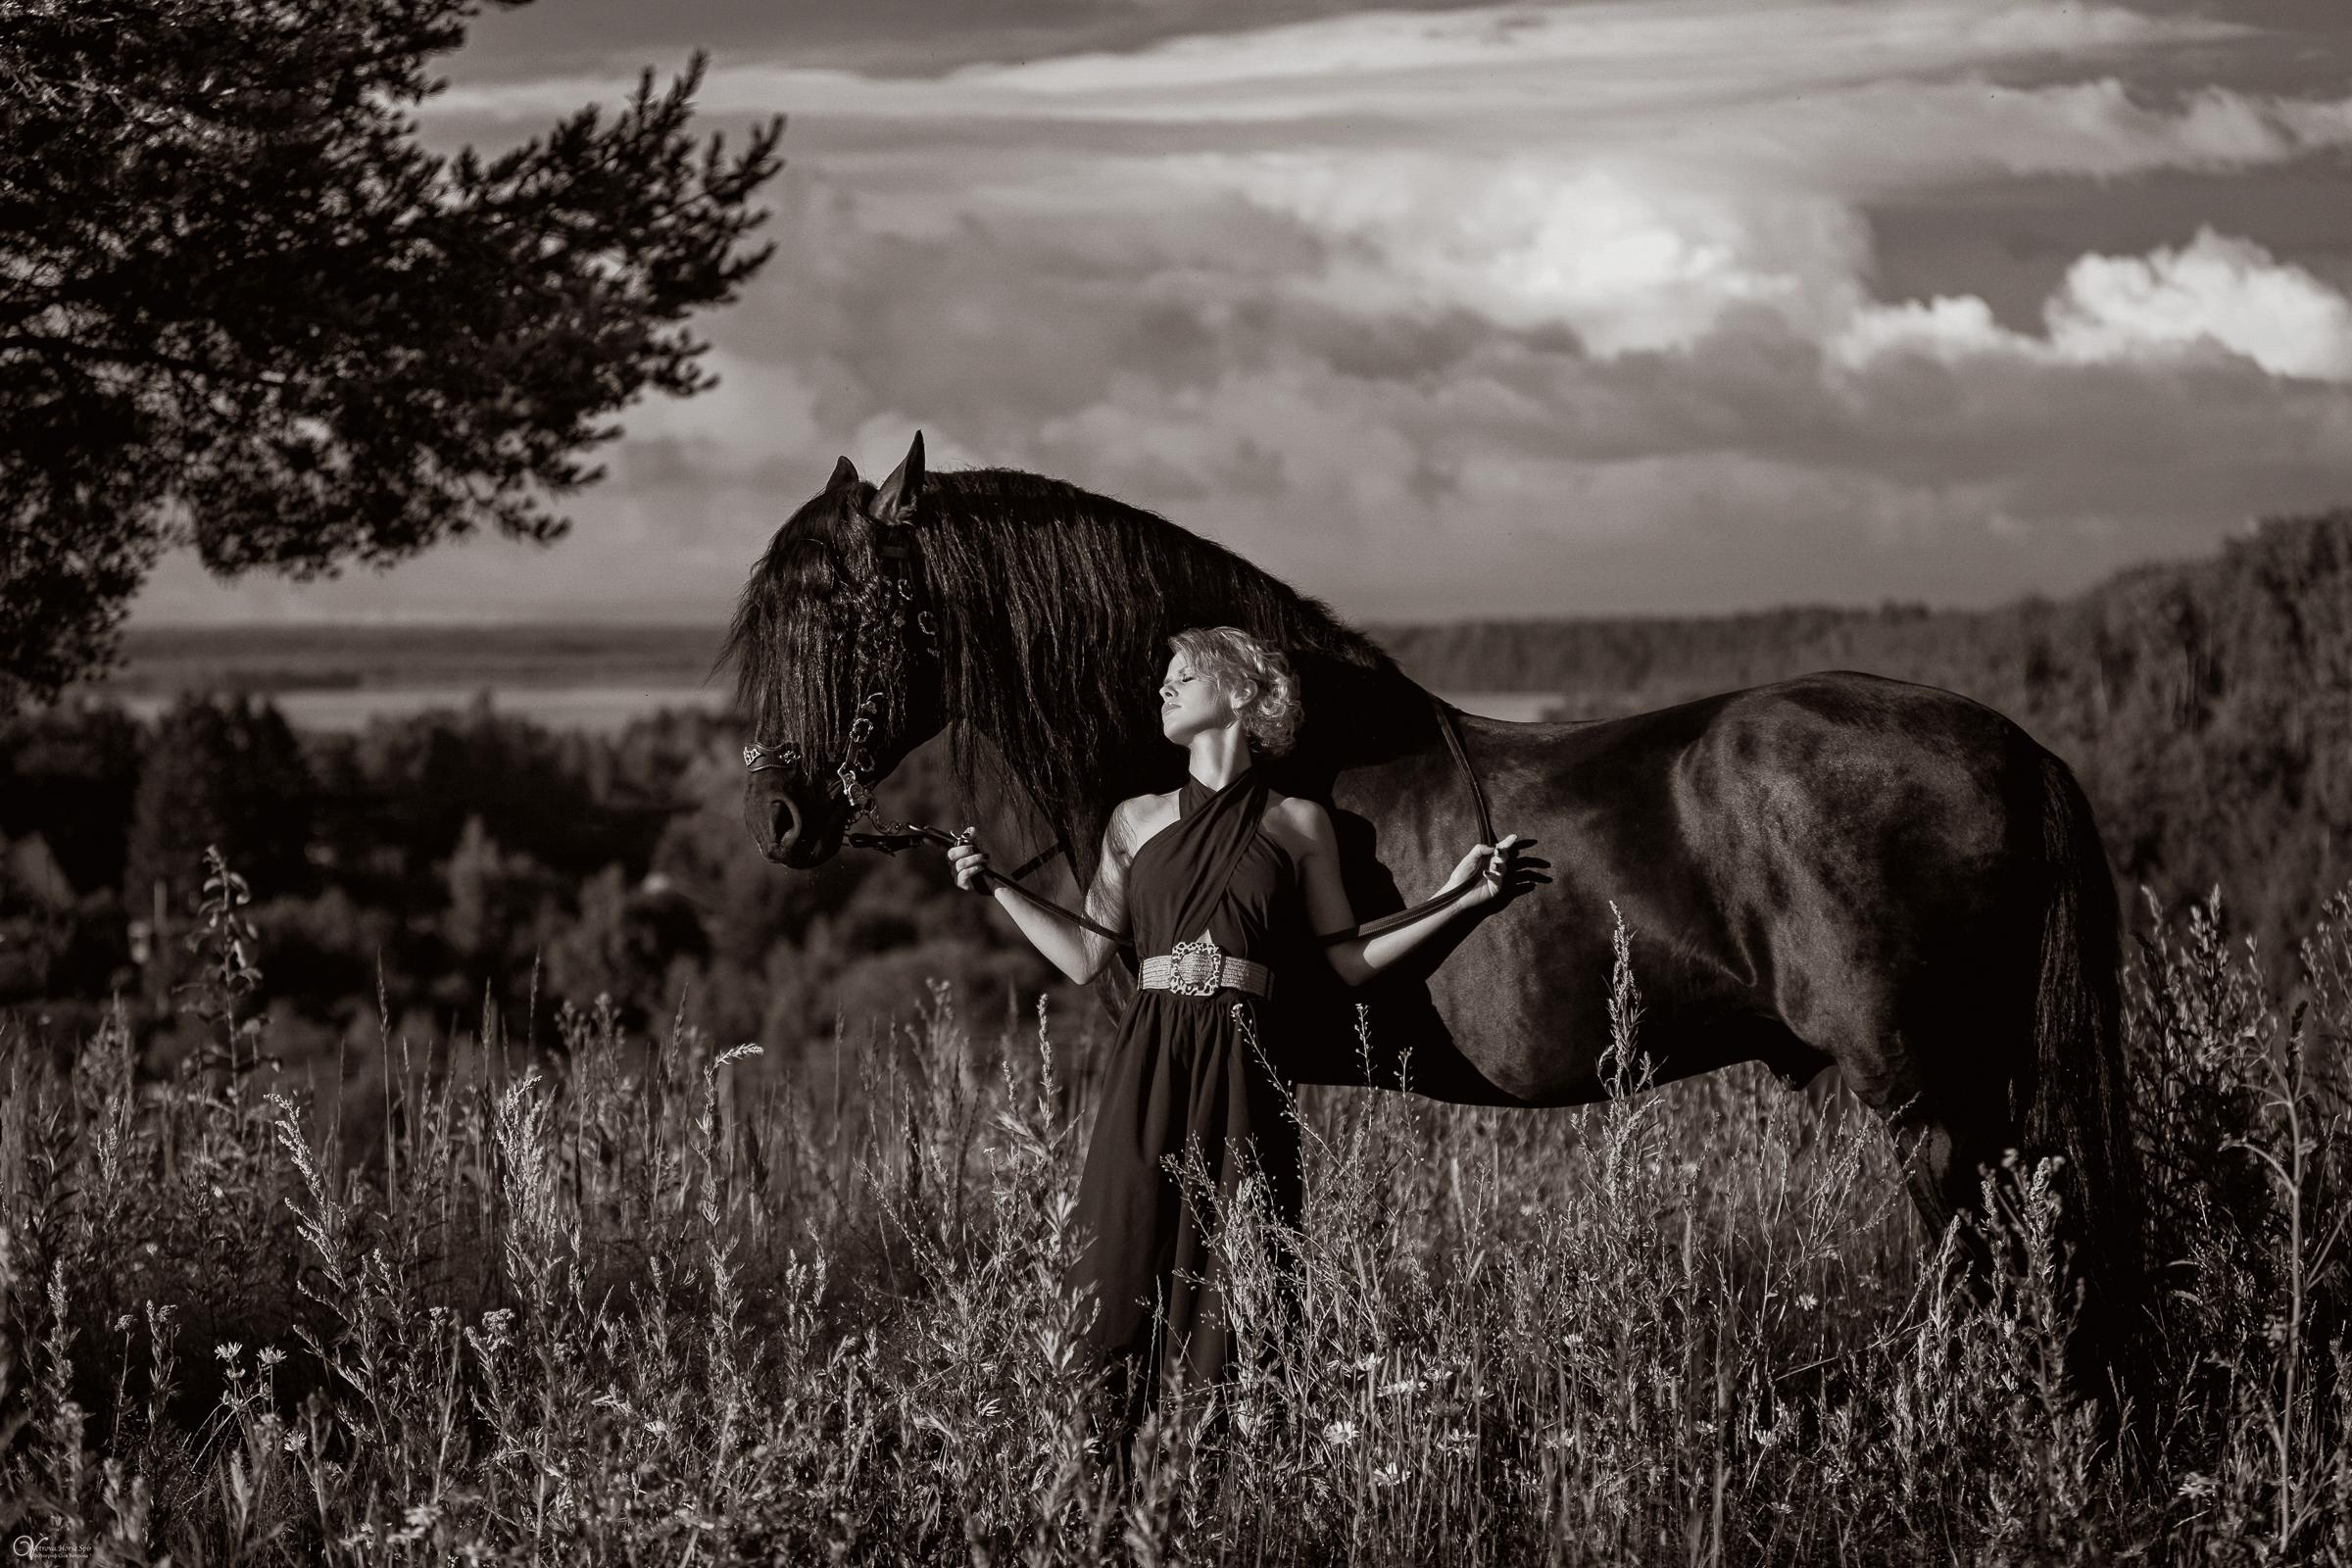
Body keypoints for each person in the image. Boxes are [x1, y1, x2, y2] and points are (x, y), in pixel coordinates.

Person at [945, 625, 1519, 1447]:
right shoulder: (1133, 820)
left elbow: (1347, 961)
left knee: (1240, 1259)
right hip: (1150, 1058)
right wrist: (997, 888)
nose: (1164, 689)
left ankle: (1224, 1460)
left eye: (1185, 675)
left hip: (1249, 1059)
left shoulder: (1301, 823)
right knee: (1120, 1245)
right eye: (1166, 678)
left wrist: (1458, 901)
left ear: (1242, 692)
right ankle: (1099, 1457)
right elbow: (1083, 956)